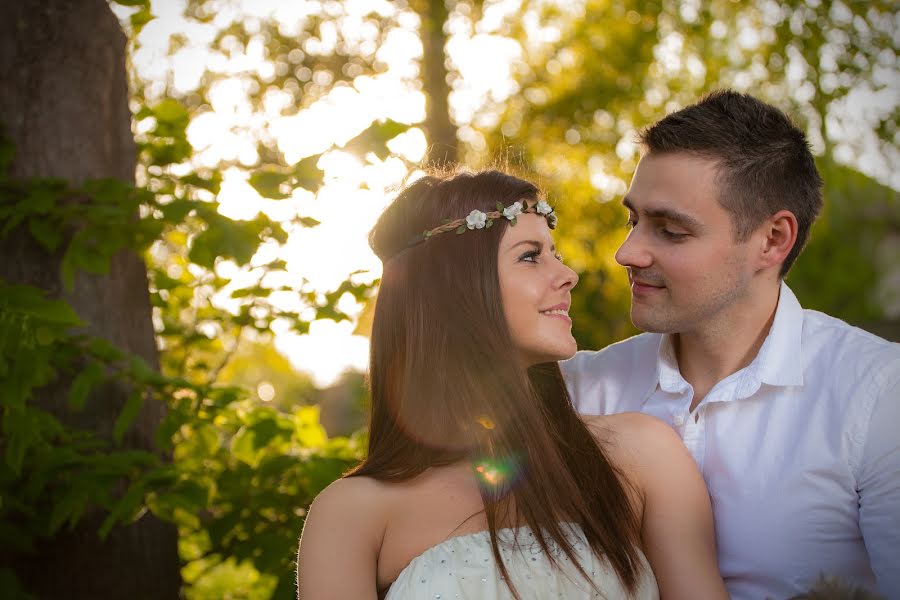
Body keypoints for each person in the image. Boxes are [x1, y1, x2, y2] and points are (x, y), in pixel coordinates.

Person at [297, 170, 728, 599]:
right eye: (530, 256)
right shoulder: (350, 514)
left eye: (554, 253)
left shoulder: (643, 455)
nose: (567, 276)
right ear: (454, 288)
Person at [562, 90, 900, 600]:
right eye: (634, 220)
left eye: (670, 231)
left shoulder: (878, 395)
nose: (626, 252)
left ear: (772, 240)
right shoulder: (583, 386)